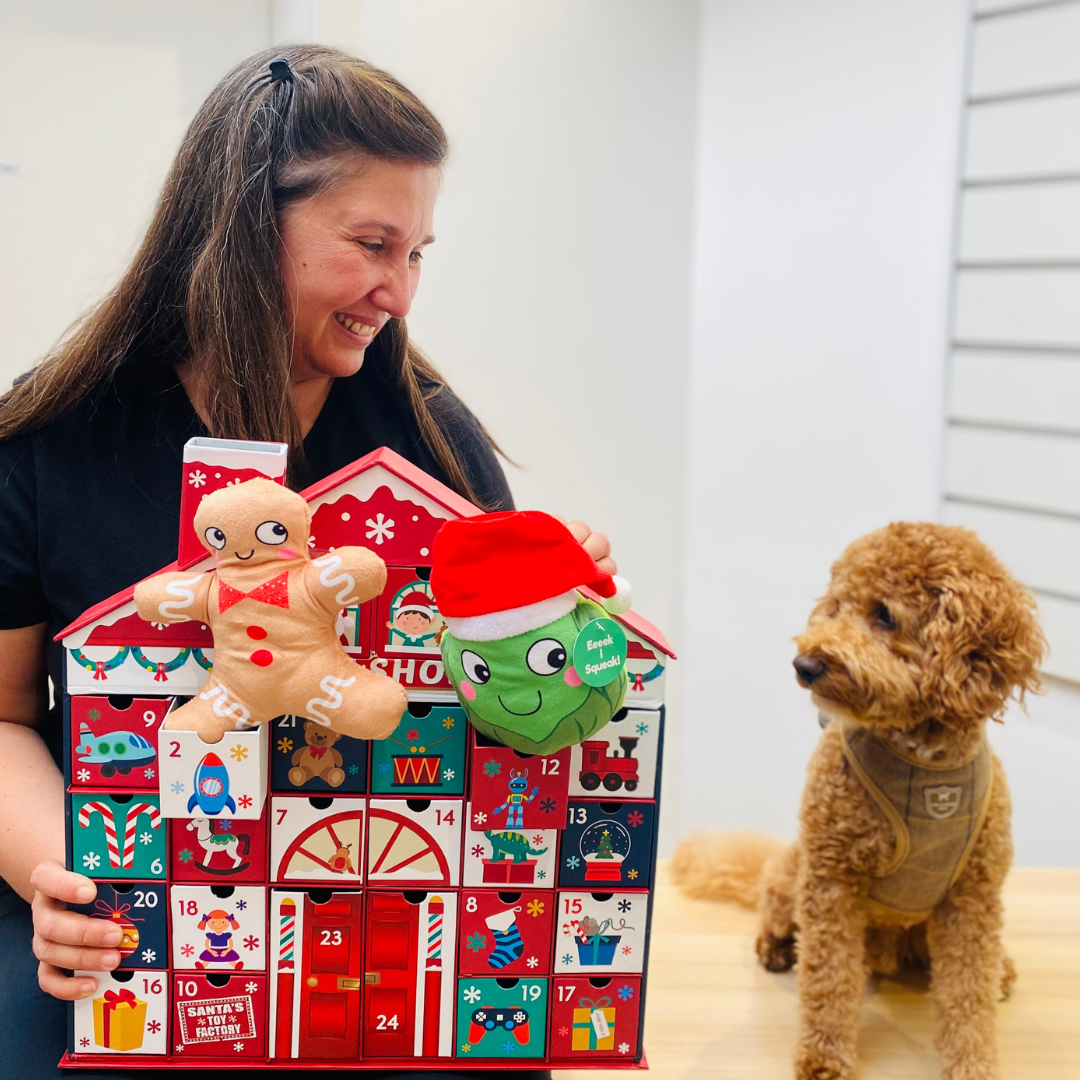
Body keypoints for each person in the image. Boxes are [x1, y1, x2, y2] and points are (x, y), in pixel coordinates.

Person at [0, 45, 616, 1079]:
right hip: (124, 893)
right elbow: (8, 712)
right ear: (243, 223)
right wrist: (57, 876)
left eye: (418, 252)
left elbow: (500, 710)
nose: (399, 292)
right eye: (374, 244)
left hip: (376, 901)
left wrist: (560, 624)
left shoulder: (430, 440)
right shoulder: (54, 438)